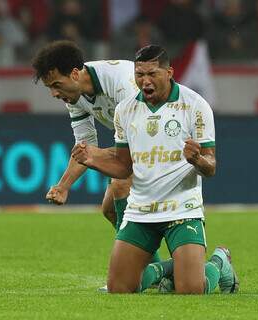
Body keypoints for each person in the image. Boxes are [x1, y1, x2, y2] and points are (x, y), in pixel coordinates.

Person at [71, 45, 239, 294]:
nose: (145, 81)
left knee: (191, 291)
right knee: (119, 289)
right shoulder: (124, 110)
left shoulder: (195, 105)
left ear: (169, 72)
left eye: (152, 74)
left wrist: (197, 161)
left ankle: (219, 262)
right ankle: (168, 269)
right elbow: (123, 166)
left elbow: (211, 167)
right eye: (140, 75)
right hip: (141, 212)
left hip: (182, 210)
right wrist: (92, 160)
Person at [31, 40, 161, 267]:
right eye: (49, 87)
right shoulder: (73, 95)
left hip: (164, 143)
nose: (53, 93)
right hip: (137, 146)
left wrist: (95, 154)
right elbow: (85, 146)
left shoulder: (123, 83)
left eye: (56, 85)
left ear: (73, 74)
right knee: (109, 209)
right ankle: (156, 270)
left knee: (121, 183)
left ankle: (139, 270)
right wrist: (63, 186)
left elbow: (138, 143)